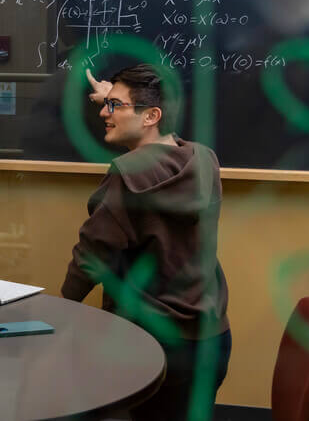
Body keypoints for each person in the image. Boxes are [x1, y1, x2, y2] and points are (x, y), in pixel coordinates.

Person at [61, 64, 231, 421]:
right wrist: (115, 99)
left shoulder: (127, 174)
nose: (103, 113)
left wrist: (60, 307)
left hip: (150, 343)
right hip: (208, 340)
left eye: (114, 106)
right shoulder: (203, 159)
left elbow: (92, 256)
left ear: (152, 115)